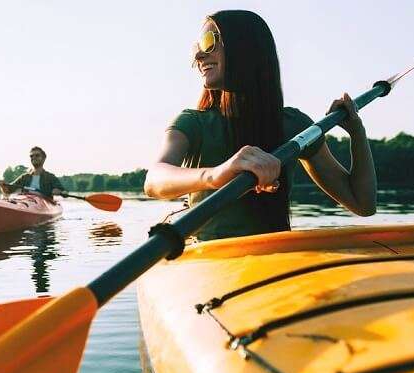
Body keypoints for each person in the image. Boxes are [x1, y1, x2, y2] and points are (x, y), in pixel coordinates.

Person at [144, 10, 377, 240]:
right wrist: (216, 175)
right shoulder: (193, 123)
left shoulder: (294, 126)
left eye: (208, 42)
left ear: (245, 48)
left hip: (273, 257)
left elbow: (362, 204)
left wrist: (357, 132)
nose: (199, 56)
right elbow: (154, 181)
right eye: (197, 48)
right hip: (208, 261)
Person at [0, 146, 67, 199]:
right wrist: (2, 185)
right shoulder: (24, 177)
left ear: (44, 158)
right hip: (26, 202)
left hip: (43, 204)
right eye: (31, 156)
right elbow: (8, 190)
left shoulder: (50, 177)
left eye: (37, 155)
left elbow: (64, 192)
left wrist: (59, 191)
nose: (33, 157)